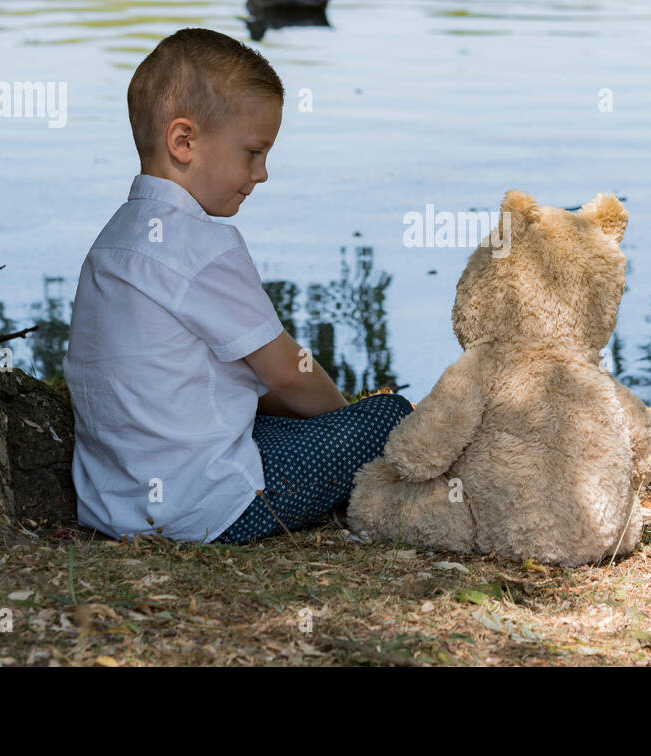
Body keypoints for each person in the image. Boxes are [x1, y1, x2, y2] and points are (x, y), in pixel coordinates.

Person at [63, 27, 412, 546]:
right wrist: (347, 424)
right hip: (207, 510)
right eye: (252, 152)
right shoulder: (204, 247)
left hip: (112, 503)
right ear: (184, 142)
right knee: (390, 415)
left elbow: (227, 382)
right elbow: (290, 376)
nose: (263, 173)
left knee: (271, 418)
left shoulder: (112, 242)